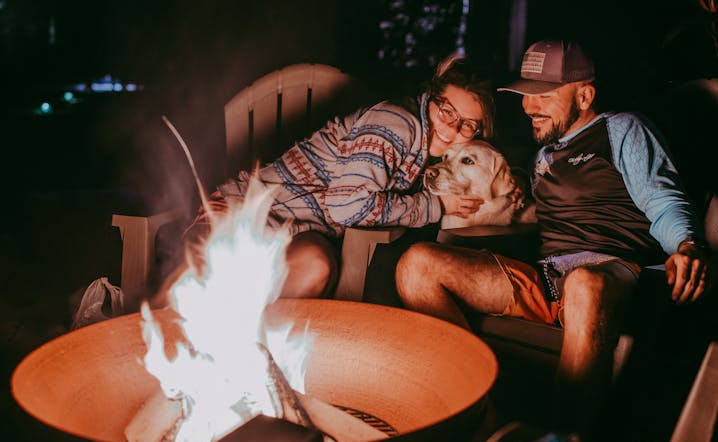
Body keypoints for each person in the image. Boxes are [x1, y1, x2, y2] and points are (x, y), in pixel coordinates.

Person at [394, 39, 711, 437]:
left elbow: (662, 197)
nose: (529, 106)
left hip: (615, 276)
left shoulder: (621, 130)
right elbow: (528, 213)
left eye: (543, 95)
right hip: (549, 279)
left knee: (583, 283)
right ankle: (482, 421)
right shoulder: (543, 156)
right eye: (524, 95)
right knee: (416, 265)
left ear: (584, 95)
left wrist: (686, 244)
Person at [166, 54, 496, 302]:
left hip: (297, 231)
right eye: (447, 111)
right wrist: (435, 206)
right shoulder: (397, 124)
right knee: (207, 282)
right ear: (431, 98)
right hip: (244, 213)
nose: (452, 128)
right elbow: (346, 207)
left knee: (318, 267)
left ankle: (251, 350)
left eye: (468, 124)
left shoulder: (428, 151)